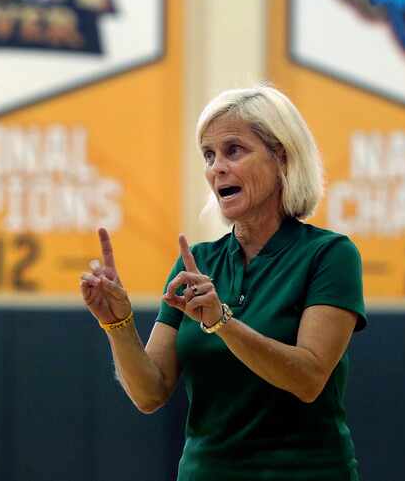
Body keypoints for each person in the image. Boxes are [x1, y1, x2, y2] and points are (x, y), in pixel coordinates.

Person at [80, 86, 367, 481]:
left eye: (234, 150)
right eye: (209, 155)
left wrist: (221, 322)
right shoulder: (198, 262)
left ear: (281, 156)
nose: (217, 168)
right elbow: (150, 393)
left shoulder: (329, 255)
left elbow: (308, 378)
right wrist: (118, 323)